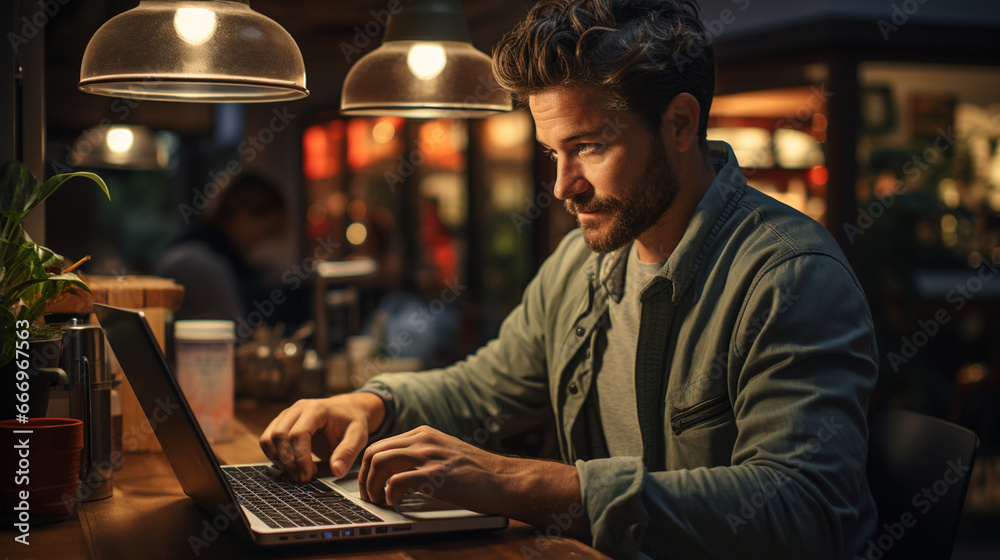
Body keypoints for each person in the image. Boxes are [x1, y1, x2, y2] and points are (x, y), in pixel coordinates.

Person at [260, 1, 878, 558]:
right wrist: (371, 403)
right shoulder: (582, 262)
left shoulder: (790, 277)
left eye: (588, 147)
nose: (562, 186)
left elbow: (806, 512)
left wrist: (520, 483)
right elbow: (485, 386)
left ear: (681, 124)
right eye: (554, 152)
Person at [154, 173, 290, 326]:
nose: (263, 242)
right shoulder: (202, 264)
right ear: (242, 213)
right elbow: (237, 336)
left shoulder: (194, 251)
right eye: (267, 231)